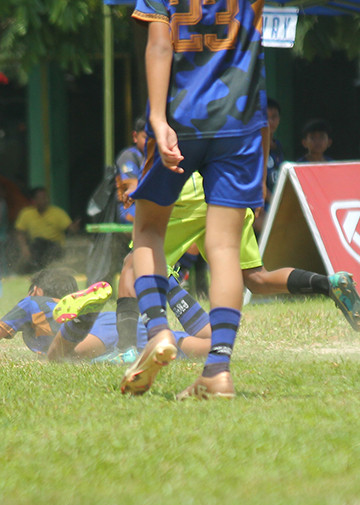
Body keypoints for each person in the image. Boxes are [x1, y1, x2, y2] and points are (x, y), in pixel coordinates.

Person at [123, 0, 266, 400]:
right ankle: (218, 370)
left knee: (148, 231)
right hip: (240, 126)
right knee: (223, 248)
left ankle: (157, 331)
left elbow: (159, 45)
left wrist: (156, 118)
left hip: (182, 119)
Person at [108, 172, 360, 361]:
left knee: (133, 264)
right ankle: (328, 284)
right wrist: (257, 185)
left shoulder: (179, 104)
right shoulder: (242, 106)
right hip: (228, 190)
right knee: (257, 279)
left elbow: (174, 148)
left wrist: (143, 186)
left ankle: (127, 352)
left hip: (189, 191)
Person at [0, 265, 210, 361]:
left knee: (58, 359)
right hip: (128, 326)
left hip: (98, 332)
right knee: (214, 347)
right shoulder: (48, 305)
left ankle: (84, 318)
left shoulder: (31, 303)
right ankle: (168, 283)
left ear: (36, 290)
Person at [14, 186, 75, 272]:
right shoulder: (26, 214)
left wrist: (74, 227)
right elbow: (20, 232)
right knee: (37, 245)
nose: (44, 200)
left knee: (40, 244)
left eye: (45, 197)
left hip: (55, 247)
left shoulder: (58, 212)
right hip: (36, 248)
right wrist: (24, 247)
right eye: (41, 198)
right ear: (34, 200)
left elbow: (70, 228)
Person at [254, 98, 285, 235]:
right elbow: (257, 182)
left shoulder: (278, 147)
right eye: (266, 117)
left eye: (274, 117)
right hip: (258, 205)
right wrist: (275, 201)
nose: (270, 122)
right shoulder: (253, 147)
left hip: (277, 202)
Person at [115, 117, 148, 224]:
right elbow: (132, 187)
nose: (149, 142)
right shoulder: (129, 156)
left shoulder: (157, 157)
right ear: (135, 137)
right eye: (145, 137)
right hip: (127, 209)